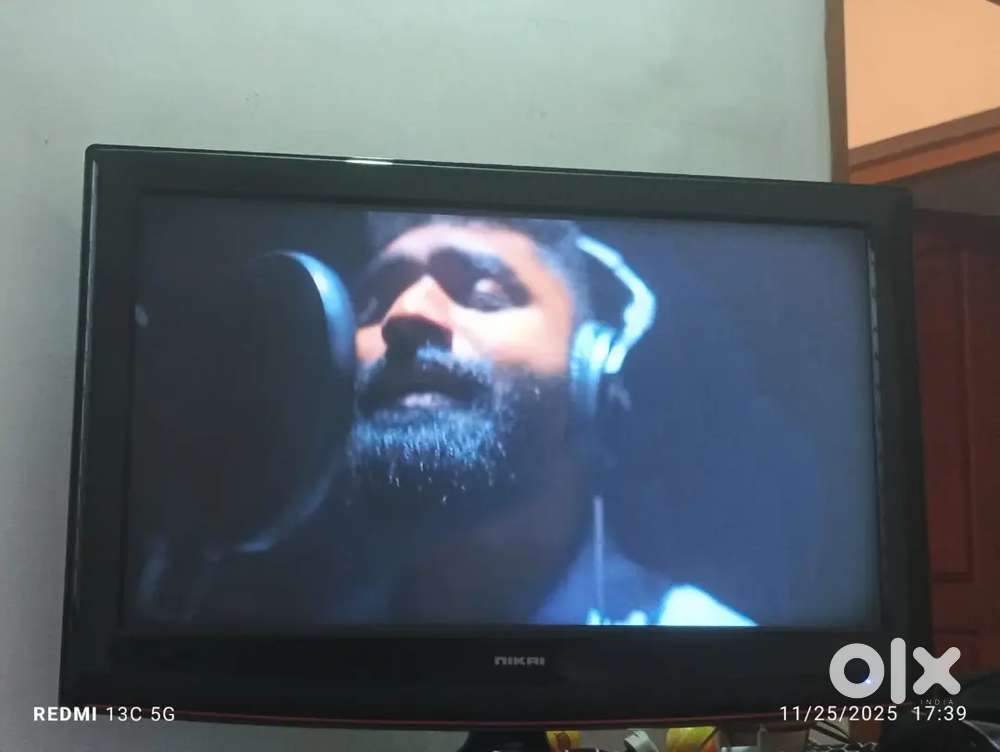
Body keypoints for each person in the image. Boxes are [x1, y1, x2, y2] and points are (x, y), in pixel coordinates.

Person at [324, 212, 754, 627]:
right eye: (374, 305)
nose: (404, 314)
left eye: (486, 297)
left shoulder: (719, 661)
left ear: (592, 371)